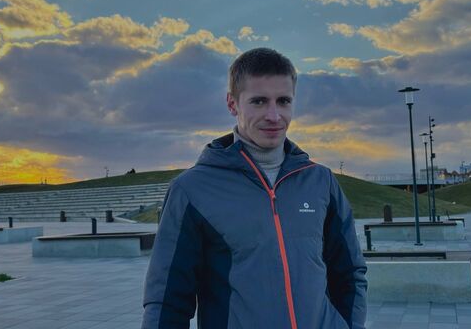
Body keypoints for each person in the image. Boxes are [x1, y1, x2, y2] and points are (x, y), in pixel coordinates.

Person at [142, 48, 367, 329]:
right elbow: (167, 300)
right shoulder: (192, 190)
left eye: (283, 101)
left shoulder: (320, 181)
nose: (274, 116)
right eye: (259, 101)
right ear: (232, 104)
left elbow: (349, 272)